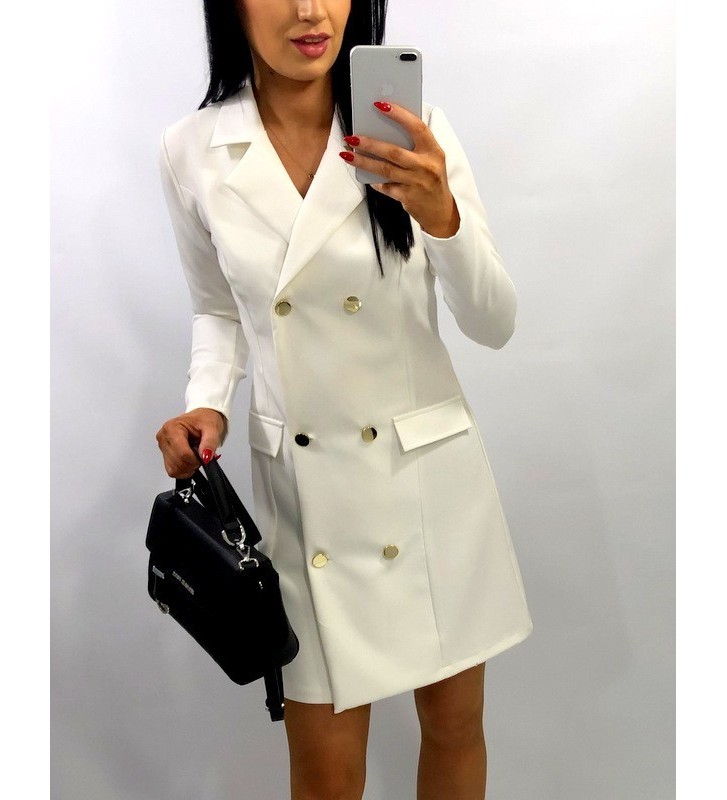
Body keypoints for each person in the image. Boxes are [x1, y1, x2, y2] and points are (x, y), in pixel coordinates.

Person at [155, 1, 534, 798]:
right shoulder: (191, 149)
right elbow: (218, 308)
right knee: (325, 774)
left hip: (426, 483)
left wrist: (442, 217)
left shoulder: (410, 126)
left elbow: (493, 322)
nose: (309, 11)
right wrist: (207, 403)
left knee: (454, 729)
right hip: (306, 499)